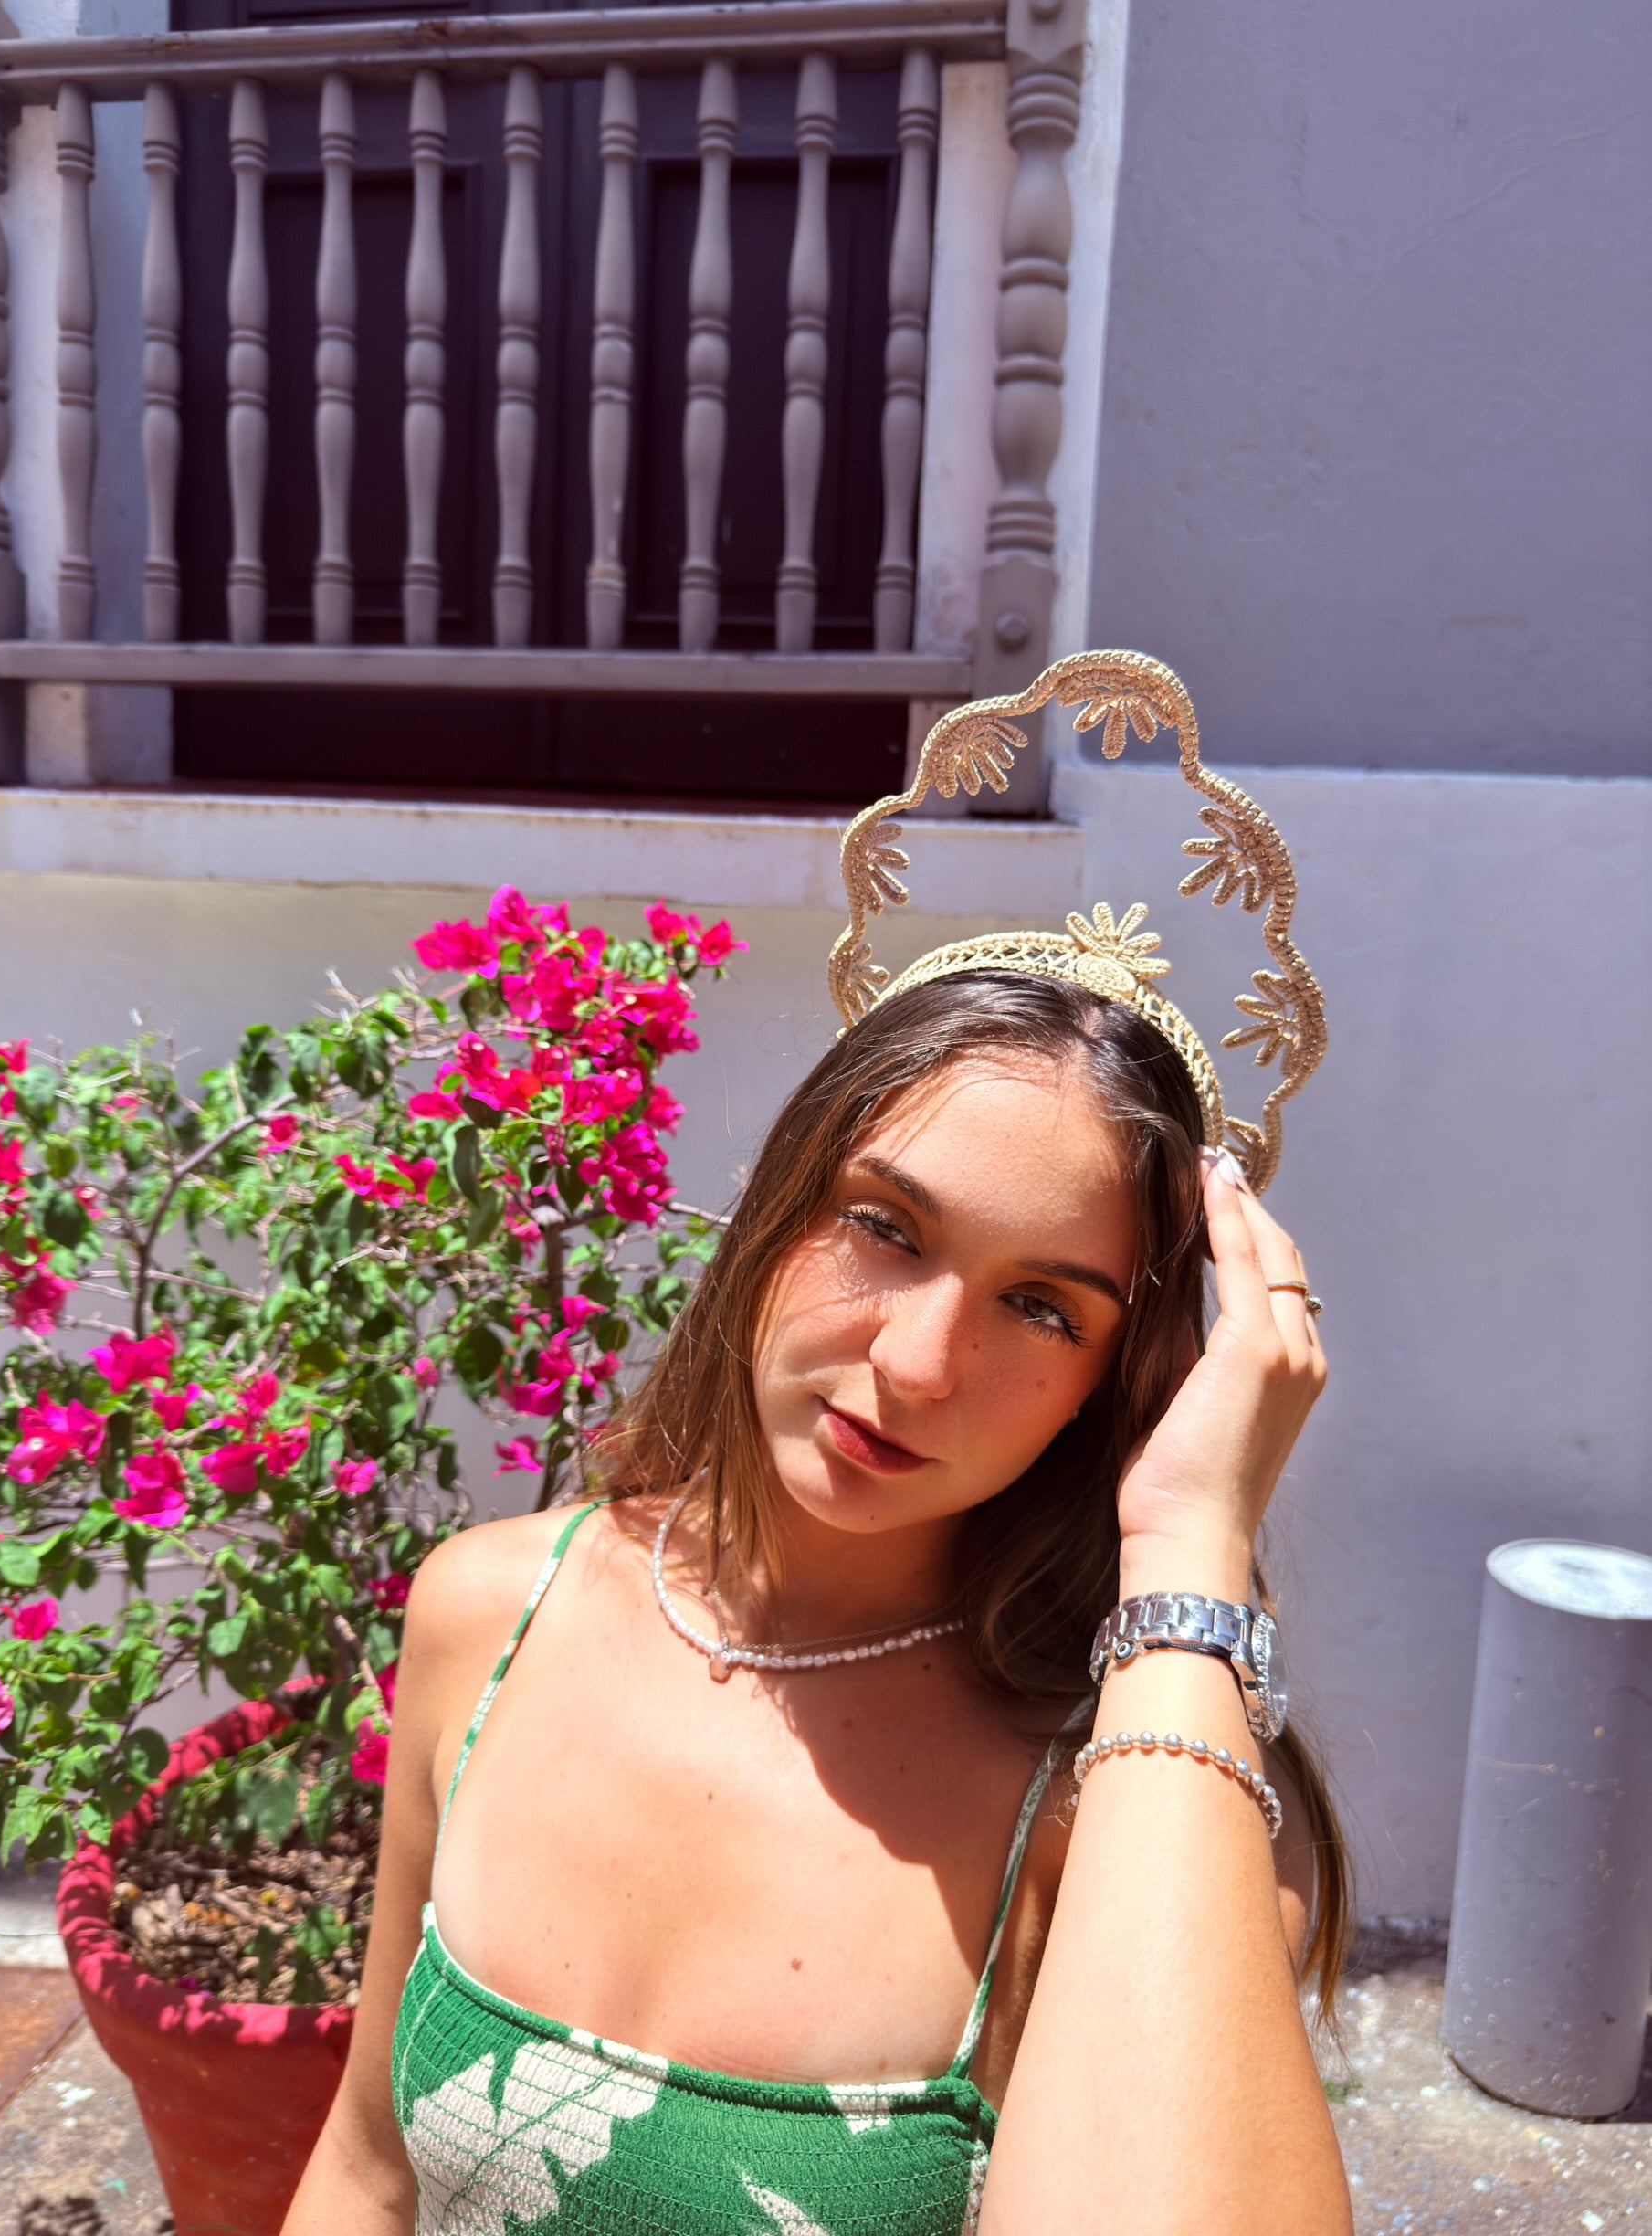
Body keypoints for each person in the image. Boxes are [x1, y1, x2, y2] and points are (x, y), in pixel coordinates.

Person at [285, 659, 1355, 2236]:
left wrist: (1192, 1552)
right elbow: (369, 2169)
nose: (917, 1363)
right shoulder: (488, 1616)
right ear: (779, 1209)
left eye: (1043, 1309)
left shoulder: (1131, 1803)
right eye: (883, 1226)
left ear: (1118, 1383)